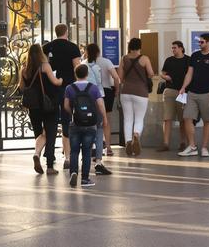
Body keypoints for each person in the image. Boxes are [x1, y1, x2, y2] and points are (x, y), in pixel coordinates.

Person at [178, 33, 209, 157]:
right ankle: (192, 146)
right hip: (192, 93)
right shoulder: (195, 56)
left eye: (202, 42)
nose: (200, 44)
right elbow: (189, 73)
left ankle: (204, 147)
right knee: (187, 117)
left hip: (207, 94)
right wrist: (183, 87)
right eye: (199, 42)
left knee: (206, 121)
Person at [21, 45, 63, 175]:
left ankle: (37, 154)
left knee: (39, 134)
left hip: (33, 106)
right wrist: (61, 80)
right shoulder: (45, 66)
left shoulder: (24, 70)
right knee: (50, 134)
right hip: (48, 104)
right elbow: (55, 82)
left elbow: (21, 87)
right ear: (41, 53)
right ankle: (49, 166)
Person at [43, 25, 82, 160]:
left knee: (51, 121)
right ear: (67, 32)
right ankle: (68, 156)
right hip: (68, 88)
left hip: (51, 88)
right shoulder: (73, 47)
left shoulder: (47, 47)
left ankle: (49, 153)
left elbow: (43, 66)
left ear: (56, 32)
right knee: (66, 121)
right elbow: (77, 67)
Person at [64, 64, 105, 188]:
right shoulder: (93, 88)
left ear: (75, 74)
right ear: (87, 74)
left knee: (74, 150)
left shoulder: (69, 88)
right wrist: (104, 118)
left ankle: (73, 172)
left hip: (75, 123)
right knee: (87, 151)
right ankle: (85, 179)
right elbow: (100, 105)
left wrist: (73, 114)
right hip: (90, 124)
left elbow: (66, 106)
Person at [84, 43, 117, 174]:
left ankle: (86, 159)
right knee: (99, 129)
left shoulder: (82, 65)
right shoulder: (99, 66)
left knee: (86, 129)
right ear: (98, 52)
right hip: (98, 97)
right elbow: (99, 84)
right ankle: (99, 160)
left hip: (85, 99)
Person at [118, 38, 154, 156]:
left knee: (128, 119)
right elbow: (151, 74)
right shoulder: (145, 59)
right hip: (141, 92)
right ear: (140, 46)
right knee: (139, 118)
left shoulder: (124, 58)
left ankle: (128, 141)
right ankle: (136, 135)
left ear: (130, 46)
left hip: (126, 91)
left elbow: (120, 77)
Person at [158, 40, 187, 153]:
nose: (173, 50)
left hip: (182, 92)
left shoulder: (187, 60)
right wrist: (165, 77)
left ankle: (183, 142)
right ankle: (166, 143)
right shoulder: (169, 60)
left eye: (175, 47)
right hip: (169, 90)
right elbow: (162, 73)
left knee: (182, 119)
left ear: (181, 48)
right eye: (172, 48)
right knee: (167, 118)